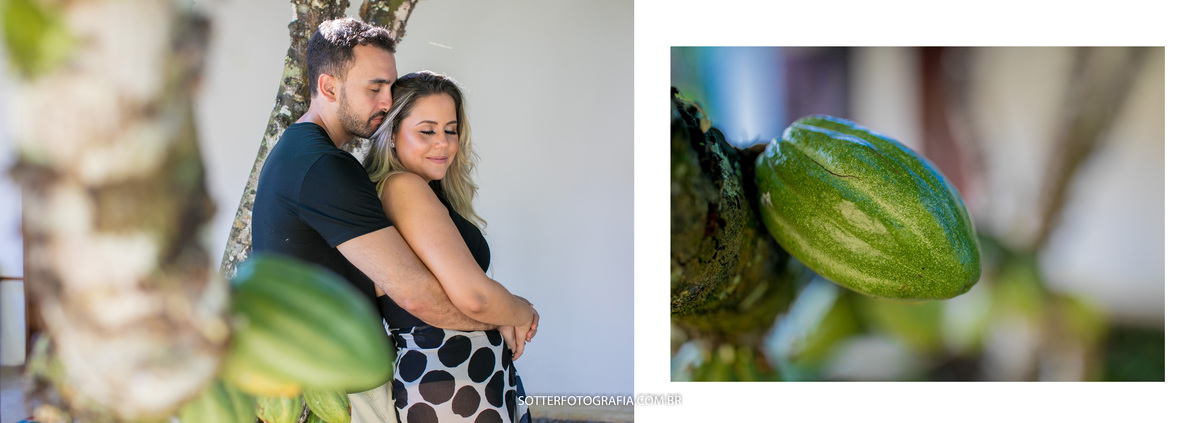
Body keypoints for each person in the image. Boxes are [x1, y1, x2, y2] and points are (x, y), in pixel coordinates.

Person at [251, 19, 538, 423]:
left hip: (342, 380)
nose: (387, 102)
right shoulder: (324, 167)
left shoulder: (300, 153)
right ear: (329, 87)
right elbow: (415, 296)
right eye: (375, 88)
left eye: (390, 87)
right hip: (342, 390)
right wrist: (513, 314)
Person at [363, 71, 533, 423]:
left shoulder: (422, 190)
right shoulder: (402, 187)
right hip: (448, 376)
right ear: (392, 135)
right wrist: (522, 312)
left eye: (450, 130)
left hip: (461, 372)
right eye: (427, 131)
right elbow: (475, 297)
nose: (443, 143)